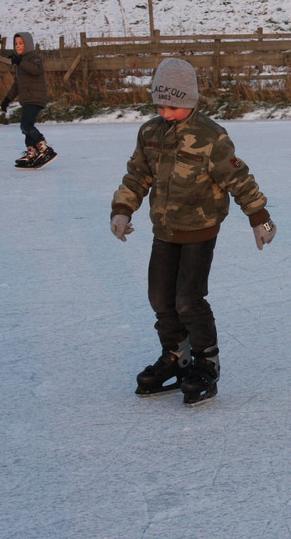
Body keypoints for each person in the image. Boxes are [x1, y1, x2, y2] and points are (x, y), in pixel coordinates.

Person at [110, 57, 277, 406]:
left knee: (188, 301)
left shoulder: (210, 137)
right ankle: (176, 356)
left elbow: (239, 179)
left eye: (173, 106)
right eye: (160, 105)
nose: (166, 113)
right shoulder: (150, 132)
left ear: (190, 100)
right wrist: (123, 209)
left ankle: (206, 362)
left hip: (200, 230)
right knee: (160, 298)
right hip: (164, 230)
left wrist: (259, 218)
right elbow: (137, 174)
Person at [0, 31, 56, 169]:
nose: (18, 46)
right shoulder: (21, 63)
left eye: (21, 43)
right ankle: (32, 152)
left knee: (26, 125)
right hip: (27, 99)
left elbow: (36, 70)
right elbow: (17, 84)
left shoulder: (34, 58)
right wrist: (7, 99)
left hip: (35, 97)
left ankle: (44, 148)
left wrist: (20, 62)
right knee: (26, 126)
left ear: (28, 44)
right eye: (16, 44)